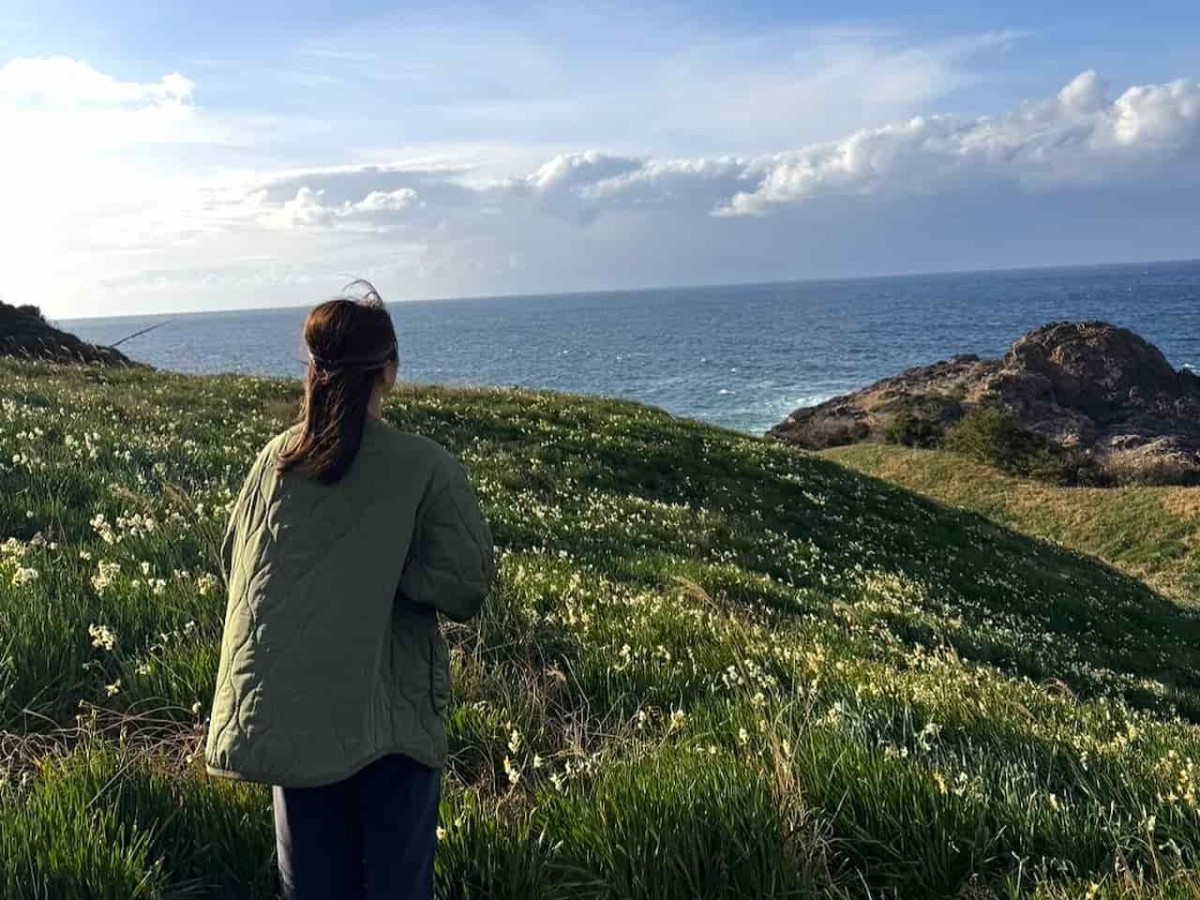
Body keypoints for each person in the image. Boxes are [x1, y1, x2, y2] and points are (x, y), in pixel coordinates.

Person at [204, 282, 495, 899]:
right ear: (388, 372)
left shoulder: (274, 461)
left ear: (313, 367)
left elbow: (238, 556)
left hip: (296, 718)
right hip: (390, 723)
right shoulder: (426, 467)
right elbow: (467, 587)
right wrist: (392, 573)